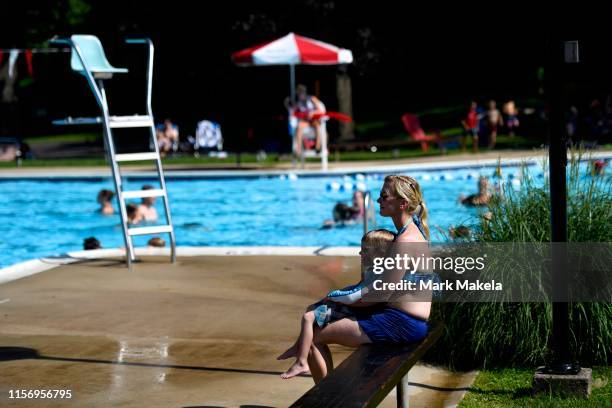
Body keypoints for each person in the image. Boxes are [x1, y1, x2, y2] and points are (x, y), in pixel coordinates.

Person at [289, 175, 431, 384]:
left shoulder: (405, 241)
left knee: (313, 336)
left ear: (403, 203)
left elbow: (379, 294)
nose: (378, 200)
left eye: (384, 196)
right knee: (317, 317)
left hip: (400, 324)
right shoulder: (413, 230)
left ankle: (328, 400)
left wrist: (341, 299)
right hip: (398, 317)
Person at [277, 229, 395, 379]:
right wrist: (338, 293)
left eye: (365, 250)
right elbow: (356, 288)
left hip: (356, 311)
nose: (360, 253)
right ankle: (299, 347)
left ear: (380, 254)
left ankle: (302, 361)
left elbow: (354, 297)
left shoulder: (381, 275)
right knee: (312, 310)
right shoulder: (373, 270)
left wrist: (334, 296)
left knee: (308, 318)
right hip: (352, 309)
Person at [285, 84, 325, 156]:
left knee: (317, 126)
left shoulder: (312, 99)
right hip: (306, 121)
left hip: (314, 120)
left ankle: (318, 147)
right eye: (299, 94)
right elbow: (293, 110)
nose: (300, 95)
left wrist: (313, 112)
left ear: (305, 92)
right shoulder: (299, 102)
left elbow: (321, 110)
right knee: (299, 126)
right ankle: (298, 149)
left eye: (301, 93)